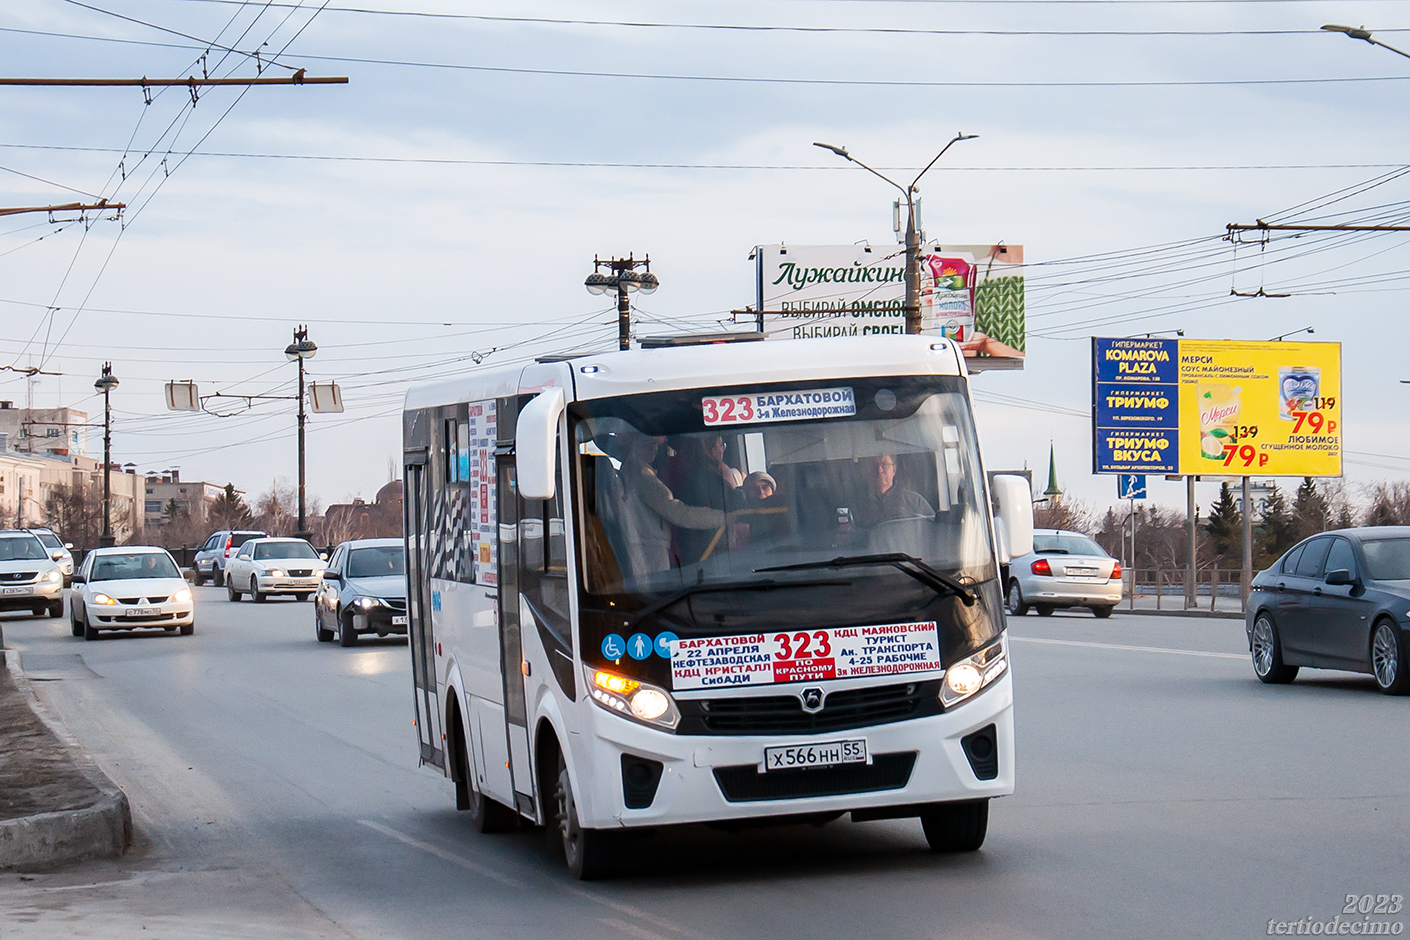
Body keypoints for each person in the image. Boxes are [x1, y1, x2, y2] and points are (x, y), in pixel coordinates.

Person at [615, 433, 725, 577]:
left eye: (655, 444)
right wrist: (722, 517)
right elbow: (677, 513)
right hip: (649, 546)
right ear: (634, 445)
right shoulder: (641, 474)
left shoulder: (637, 471)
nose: (653, 448)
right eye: (648, 443)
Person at [853, 454, 934, 527]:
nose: (879, 469)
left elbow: (932, 530)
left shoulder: (914, 501)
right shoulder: (855, 505)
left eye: (884, 464)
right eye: (874, 465)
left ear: (894, 470)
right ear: (864, 472)